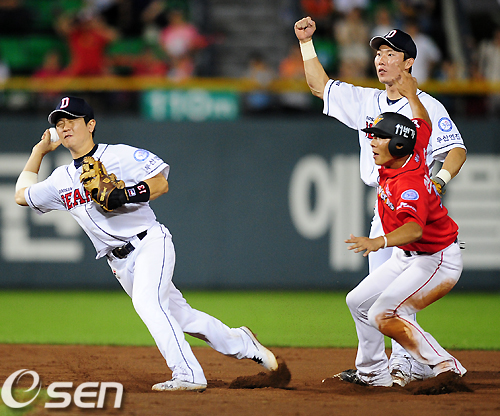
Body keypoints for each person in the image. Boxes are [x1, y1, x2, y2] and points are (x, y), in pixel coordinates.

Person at [14, 96, 279, 392]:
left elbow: (160, 183)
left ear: (91, 125)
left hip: (149, 243)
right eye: (60, 123)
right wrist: (38, 151)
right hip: (119, 263)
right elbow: (21, 195)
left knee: (147, 303)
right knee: (182, 316)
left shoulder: (118, 155)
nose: (65, 127)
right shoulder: (60, 179)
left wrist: (124, 194)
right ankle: (242, 342)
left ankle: (188, 373)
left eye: (72, 120)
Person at [294, 16, 467, 386]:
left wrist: (439, 180)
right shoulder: (367, 100)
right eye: (379, 53)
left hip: (411, 206)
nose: (381, 59)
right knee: (372, 298)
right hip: (384, 207)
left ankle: (407, 364)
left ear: (409, 62)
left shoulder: (427, 106)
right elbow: (318, 85)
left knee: (395, 298)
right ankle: (374, 369)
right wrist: (306, 43)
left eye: (391, 53)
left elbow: (456, 150)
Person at [336, 70, 466, 386]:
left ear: (397, 145)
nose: (372, 141)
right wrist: (412, 96)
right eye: (372, 135)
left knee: (383, 312)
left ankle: (446, 367)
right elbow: (423, 123)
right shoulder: (412, 150)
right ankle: (372, 372)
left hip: (436, 259)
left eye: (379, 137)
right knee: (358, 301)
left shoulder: (408, 185)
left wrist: (378, 242)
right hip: (408, 257)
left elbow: (414, 231)